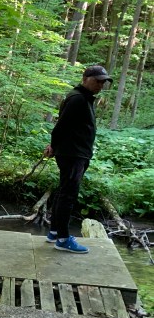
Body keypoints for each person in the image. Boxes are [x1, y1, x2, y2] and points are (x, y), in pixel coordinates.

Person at [43, 65, 112, 254]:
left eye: (103, 82)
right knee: (68, 194)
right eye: (97, 81)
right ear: (85, 79)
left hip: (74, 153)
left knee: (64, 191)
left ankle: (55, 232)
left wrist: (55, 146)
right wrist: (54, 145)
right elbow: (61, 126)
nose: (100, 85)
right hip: (73, 154)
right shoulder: (78, 99)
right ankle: (63, 239)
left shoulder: (83, 97)